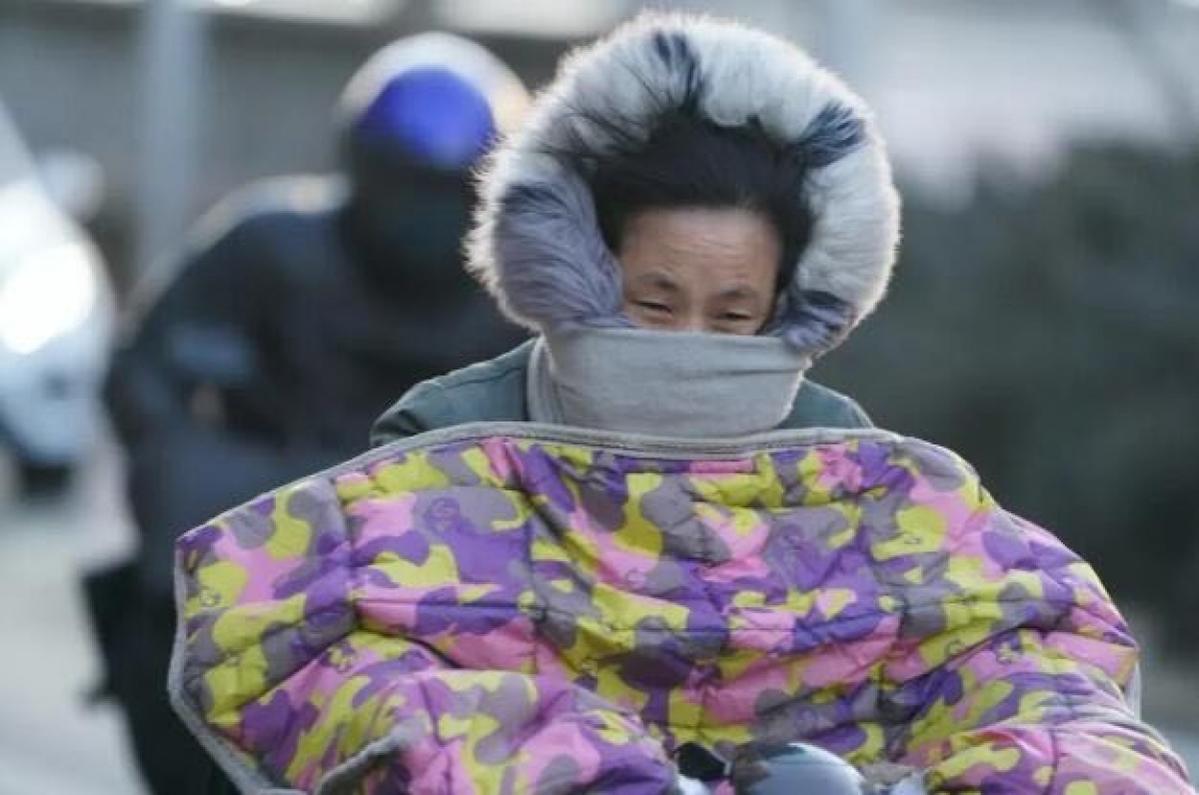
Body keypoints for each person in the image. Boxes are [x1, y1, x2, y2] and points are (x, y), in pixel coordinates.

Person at [169, 14, 1193, 794]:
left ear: (788, 306)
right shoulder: (451, 435)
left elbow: (990, 638)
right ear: (585, 271)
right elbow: (367, 663)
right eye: (653, 303)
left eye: (732, 313)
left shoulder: (838, 456)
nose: (690, 341)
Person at [84, 33, 529, 795]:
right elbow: (144, 373)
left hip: (441, 575)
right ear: (360, 166)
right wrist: (188, 488)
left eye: (444, 190)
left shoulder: (517, 295)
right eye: (403, 184)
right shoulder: (269, 248)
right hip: (258, 550)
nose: (419, 215)